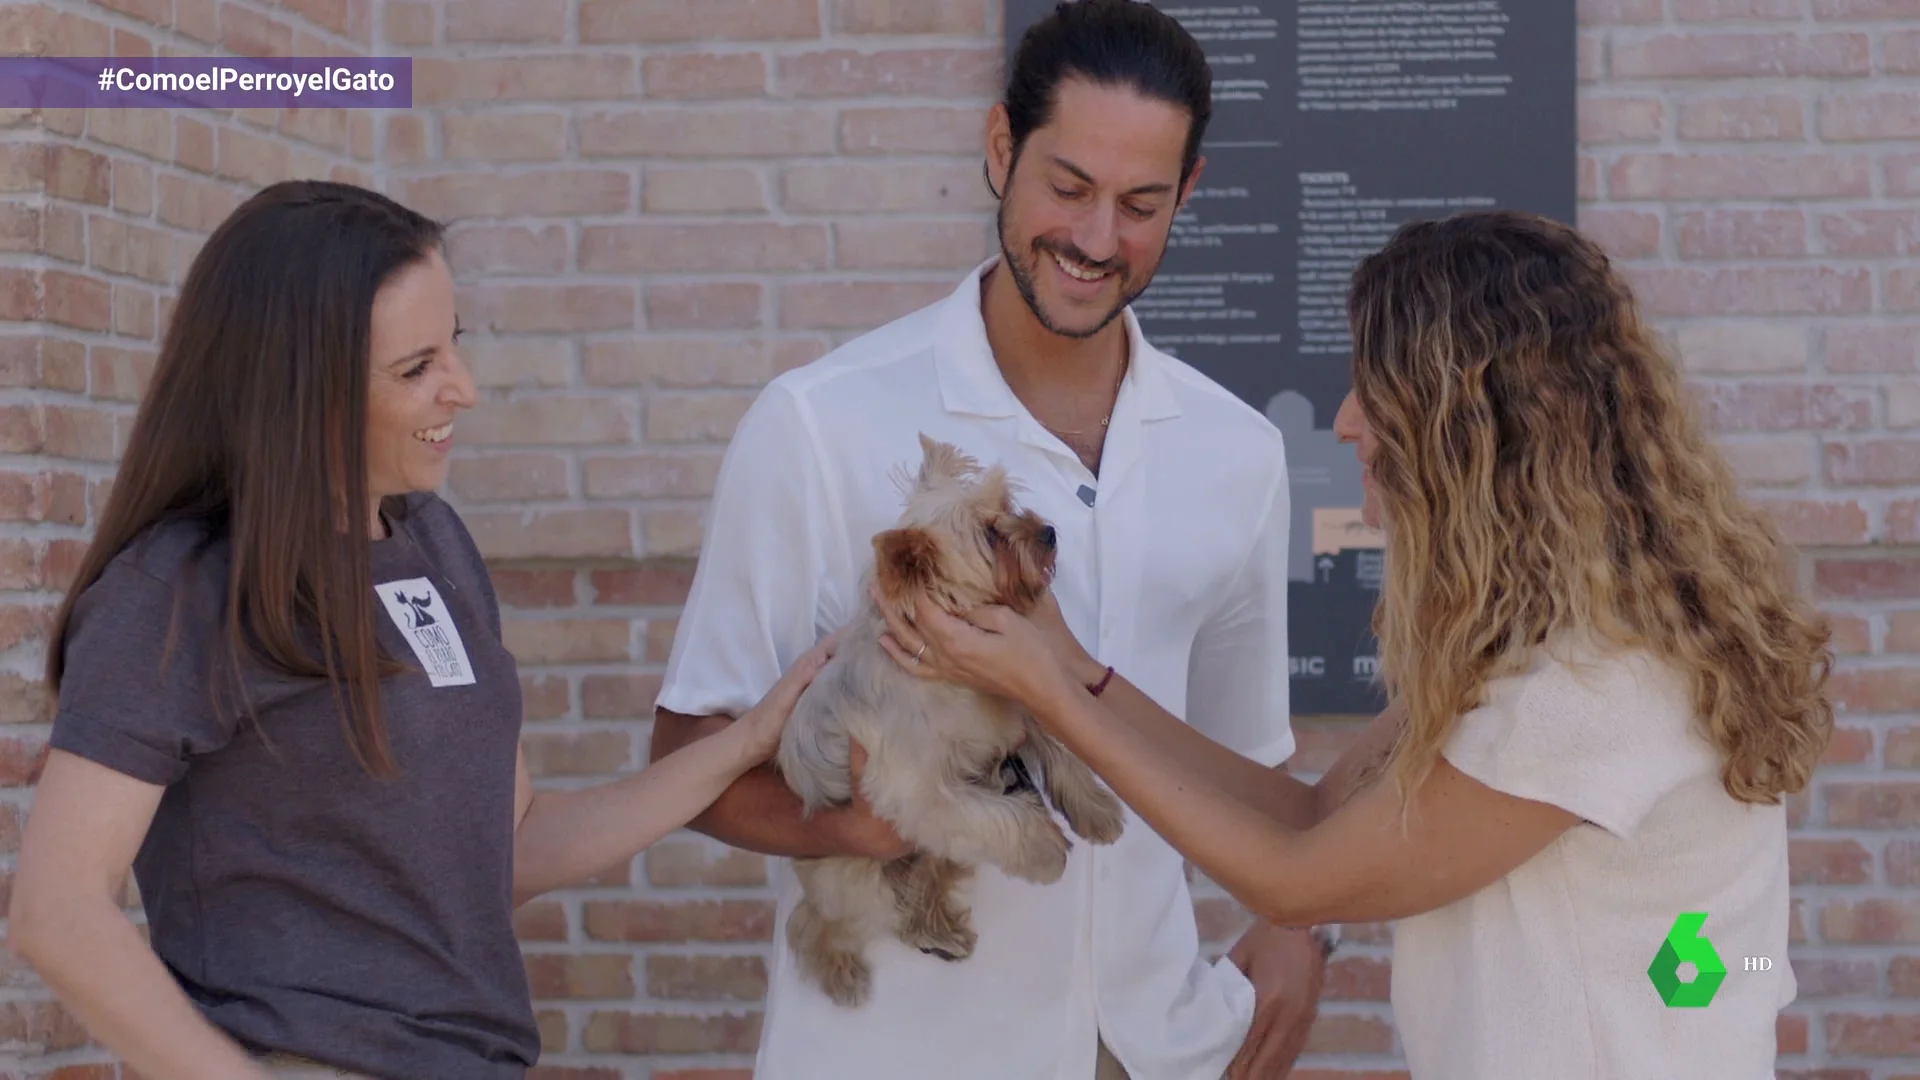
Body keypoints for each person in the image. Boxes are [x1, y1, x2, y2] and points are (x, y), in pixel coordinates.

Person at [875, 209, 1836, 1080]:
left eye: (1375, 391)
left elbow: (1293, 885)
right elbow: (1307, 818)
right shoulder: (1533, 650)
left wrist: (1045, 697)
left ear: (1472, 428)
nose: (1343, 420)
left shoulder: (1590, 688)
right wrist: (1076, 667)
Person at [7, 179, 836, 1080]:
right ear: (301, 387)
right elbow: (59, 909)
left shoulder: (432, 545)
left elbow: (508, 847)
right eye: (416, 369)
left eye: (455, 347)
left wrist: (750, 739)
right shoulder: (180, 589)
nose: (464, 390)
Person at [649, 4, 1332, 1079]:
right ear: (1000, 148)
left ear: (1188, 195)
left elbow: (1251, 753)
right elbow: (687, 756)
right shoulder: (819, 422)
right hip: (902, 1053)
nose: (1098, 240)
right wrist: (858, 827)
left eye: (1142, 204)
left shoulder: (1237, 450)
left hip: (1160, 1046)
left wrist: (1298, 930)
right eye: (1068, 188)